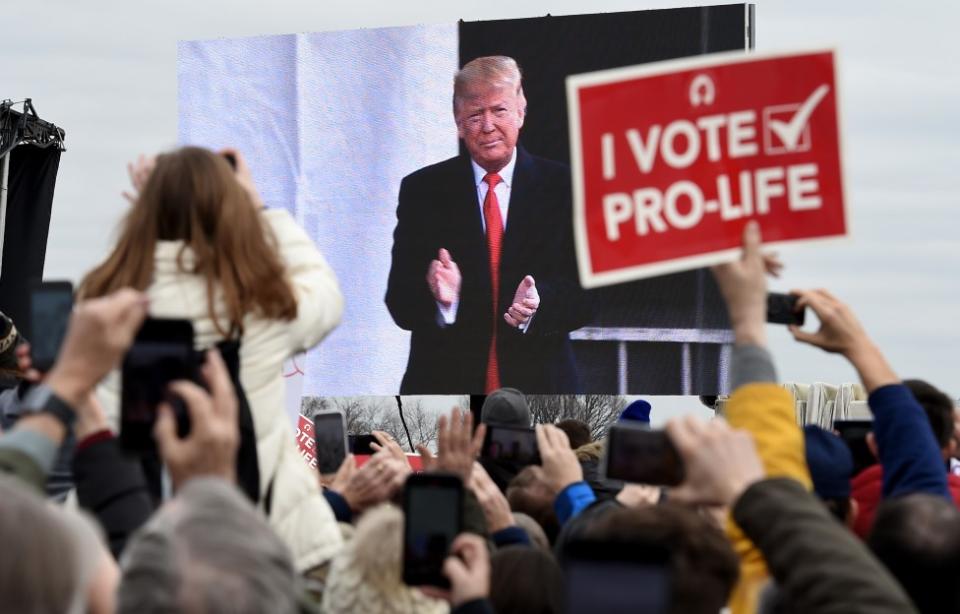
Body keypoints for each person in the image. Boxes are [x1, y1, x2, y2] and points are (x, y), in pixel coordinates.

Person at [77, 147, 345, 571]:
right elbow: (325, 296)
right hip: (265, 544)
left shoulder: (102, 308)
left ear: (147, 214)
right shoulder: (261, 306)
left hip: (141, 547)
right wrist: (260, 210)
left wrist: (157, 212)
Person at [385, 55, 592, 394]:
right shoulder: (422, 191)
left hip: (542, 388)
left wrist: (540, 304)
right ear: (458, 122)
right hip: (444, 389)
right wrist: (441, 299)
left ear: (521, 112)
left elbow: (589, 297)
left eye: (499, 110)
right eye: (474, 115)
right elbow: (400, 301)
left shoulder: (565, 187)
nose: (487, 125)